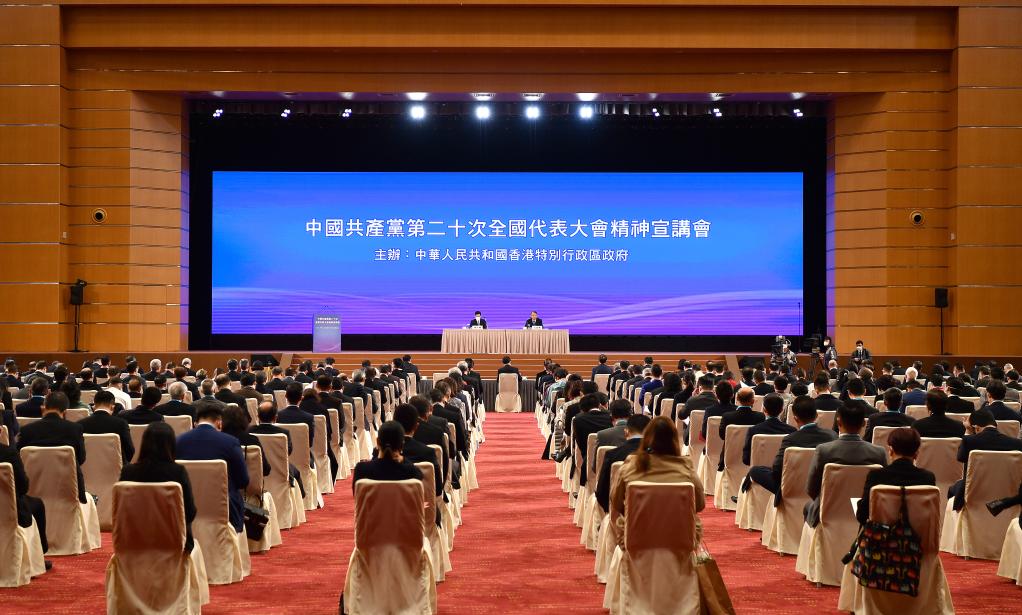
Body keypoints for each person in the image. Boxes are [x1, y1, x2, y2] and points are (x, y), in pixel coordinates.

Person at [610, 417, 704, 546]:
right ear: (674, 440)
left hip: (637, 538)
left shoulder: (630, 466)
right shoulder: (686, 468)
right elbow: (699, 504)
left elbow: (616, 502)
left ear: (647, 438)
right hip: (679, 539)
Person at [804, 404, 887, 527]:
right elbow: (881, 489)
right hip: (865, 514)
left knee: (807, 507)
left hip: (828, 511)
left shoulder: (824, 450)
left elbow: (811, 489)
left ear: (838, 422)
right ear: (864, 423)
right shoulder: (879, 452)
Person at [120, 422, 197, 552]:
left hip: (134, 539)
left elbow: (121, 510)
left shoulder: (128, 472)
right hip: (173, 541)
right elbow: (189, 513)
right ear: (171, 445)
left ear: (144, 444)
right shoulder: (177, 472)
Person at [175, 405, 249, 533]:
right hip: (224, 506)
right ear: (219, 423)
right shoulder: (230, 442)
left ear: (195, 423)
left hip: (186, 505)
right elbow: (243, 481)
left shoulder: (178, 441)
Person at [17, 391, 89, 504]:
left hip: (32, 494)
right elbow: (81, 459)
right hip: (67, 490)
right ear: (65, 411)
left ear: (43, 407)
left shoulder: (27, 430)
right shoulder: (75, 429)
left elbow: (20, 461)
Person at [855, 428, 935, 525]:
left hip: (882, 534)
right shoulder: (927, 478)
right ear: (916, 454)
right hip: (916, 533)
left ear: (891, 450)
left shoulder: (876, 476)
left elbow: (862, 516)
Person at [948, 409, 1022, 510]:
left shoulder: (969, 441)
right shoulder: (1018, 444)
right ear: (995, 424)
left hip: (974, 496)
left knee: (952, 489)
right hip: (1007, 499)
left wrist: (968, 431)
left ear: (976, 428)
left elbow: (960, 457)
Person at [0, 429, 49, 561]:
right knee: (37, 504)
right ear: (0, 430)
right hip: (8, 510)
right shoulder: (9, 453)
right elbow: (23, 487)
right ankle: (39, 556)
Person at [594, 413, 650, 513]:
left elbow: (602, 492)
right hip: (653, 511)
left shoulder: (612, 455)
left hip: (621, 513)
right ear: (650, 432)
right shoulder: (657, 456)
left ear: (626, 432)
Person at [249, 401, 304, 497]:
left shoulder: (249, 431)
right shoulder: (283, 433)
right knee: (296, 472)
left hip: (256, 472)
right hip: (280, 470)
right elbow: (288, 452)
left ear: (257, 416)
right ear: (275, 417)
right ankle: (302, 496)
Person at [352, 421, 423, 494]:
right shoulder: (413, 472)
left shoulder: (361, 470)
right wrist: (403, 459)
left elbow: (358, 497)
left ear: (377, 442)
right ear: (402, 444)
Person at [392, 403, 442, 499]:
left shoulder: (381, 453)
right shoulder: (428, 452)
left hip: (389, 506)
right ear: (416, 426)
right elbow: (438, 490)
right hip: (422, 505)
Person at [79, 390, 134, 464]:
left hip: (87, 469)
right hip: (116, 468)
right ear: (112, 407)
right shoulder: (121, 424)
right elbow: (130, 452)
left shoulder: (80, 424)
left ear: (94, 406)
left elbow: (78, 454)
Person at [717, 387, 766, 471]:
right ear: (753, 401)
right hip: (751, 457)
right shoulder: (760, 417)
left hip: (729, 456)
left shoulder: (727, 417)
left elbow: (722, 436)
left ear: (737, 399)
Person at [741, 393, 795, 467]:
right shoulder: (791, 431)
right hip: (781, 472)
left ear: (764, 409)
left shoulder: (753, 430)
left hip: (758, 472)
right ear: (782, 410)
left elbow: (746, 459)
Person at [571, 393, 612, 486]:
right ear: (599, 405)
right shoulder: (609, 416)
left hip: (587, 459)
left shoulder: (578, 419)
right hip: (609, 457)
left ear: (582, 408)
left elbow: (580, 444)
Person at [222, 403, 270, 477]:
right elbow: (266, 470)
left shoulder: (219, 441)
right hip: (251, 482)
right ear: (243, 420)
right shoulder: (252, 440)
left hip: (225, 482)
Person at [277, 383, 315, 447]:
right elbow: (310, 443)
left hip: (283, 451)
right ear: (301, 398)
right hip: (303, 452)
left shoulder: (277, 416)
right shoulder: (309, 417)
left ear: (285, 396)